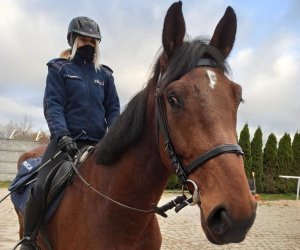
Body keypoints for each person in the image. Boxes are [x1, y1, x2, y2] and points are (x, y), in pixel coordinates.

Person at [18, 16, 120, 249]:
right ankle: (29, 238)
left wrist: (113, 135)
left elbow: (113, 108)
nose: (89, 44)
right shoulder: (59, 69)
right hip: (66, 142)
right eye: (84, 39)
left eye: (94, 41)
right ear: (73, 40)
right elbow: (53, 105)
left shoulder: (105, 75)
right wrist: (62, 134)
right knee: (41, 186)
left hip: (98, 144)